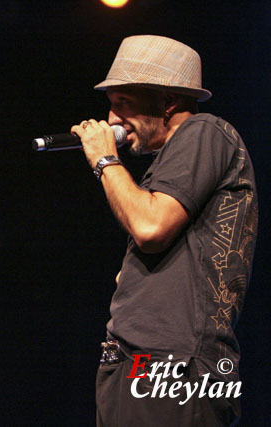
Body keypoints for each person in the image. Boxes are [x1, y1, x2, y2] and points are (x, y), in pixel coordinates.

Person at [70, 35, 258, 426]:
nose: (111, 120)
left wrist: (105, 160)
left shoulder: (205, 131)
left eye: (124, 103)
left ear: (168, 101)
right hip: (142, 362)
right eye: (111, 105)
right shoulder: (171, 161)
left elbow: (150, 226)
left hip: (172, 364)